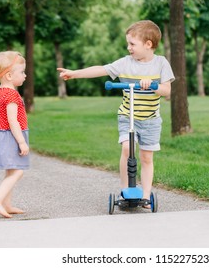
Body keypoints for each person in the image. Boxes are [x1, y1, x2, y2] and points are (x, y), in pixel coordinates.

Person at [57, 20, 175, 208]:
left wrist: (153, 85)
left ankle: (145, 195)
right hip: (128, 116)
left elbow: (167, 90)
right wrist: (74, 73)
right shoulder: (125, 63)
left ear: (148, 44)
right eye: (128, 43)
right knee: (127, 149)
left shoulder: (161, 63)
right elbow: (100, 69)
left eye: (132, 44)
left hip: (151, 120)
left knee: (146, 157)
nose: (128, 48)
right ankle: (126, 190)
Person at [0, 51, 29, 218]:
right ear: (9, 75)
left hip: (4, 135)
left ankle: (7, 204)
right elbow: (13, 121)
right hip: (11, 136)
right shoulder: (11, 94)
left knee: (11, 171)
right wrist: (22, 142)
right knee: (18, 171)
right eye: (22, 72)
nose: (25, 75)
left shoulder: (1, 90)